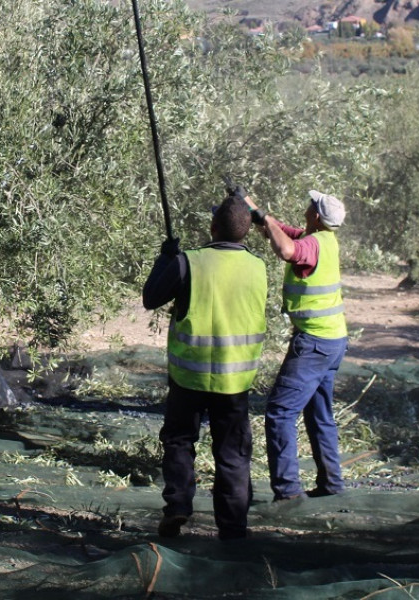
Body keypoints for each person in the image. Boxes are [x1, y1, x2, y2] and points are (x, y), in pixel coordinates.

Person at [142, 195, 267, 540]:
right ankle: (233, 526)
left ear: (212, 228)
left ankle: (178, 506)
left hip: (189, 377)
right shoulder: (258, 267)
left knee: (180, 442)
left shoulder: (188, 262)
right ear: (246, 232)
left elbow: (151, 298)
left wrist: (164, 259)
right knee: (233, 454)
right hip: (235, 381)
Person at [242, 188, 348, 501]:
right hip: (332, 341)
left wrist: (259, 216)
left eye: (310, 206)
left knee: (279, 413)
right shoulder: (323, 239)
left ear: (316, 215)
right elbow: (276, 230)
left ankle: (288, 492)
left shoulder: (312, 244)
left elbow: (287, 250)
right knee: (320, 414)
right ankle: (332, 485)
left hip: (314, 344)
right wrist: (248, 202)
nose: (306, 208)